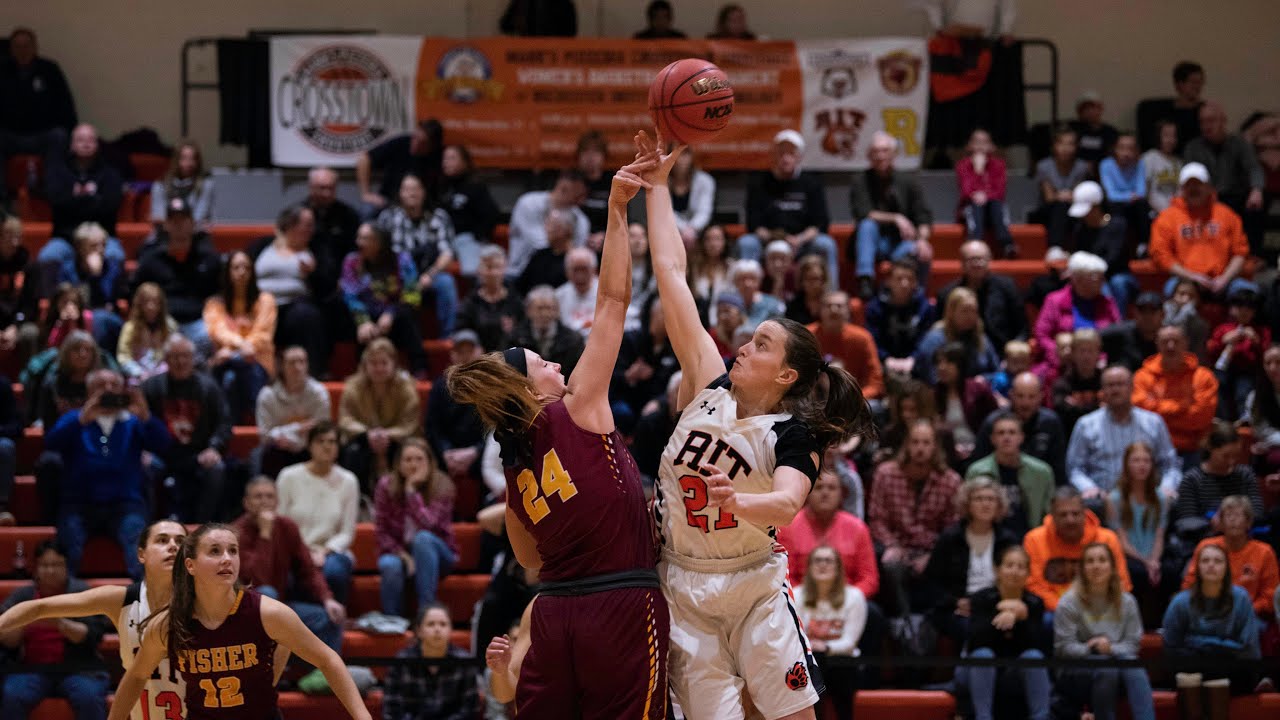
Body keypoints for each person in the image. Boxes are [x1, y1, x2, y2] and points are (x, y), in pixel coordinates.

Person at [634, 130, 874, 720]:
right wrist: (658, 188)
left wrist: (735, 498)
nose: (743, 345)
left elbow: (788, 503)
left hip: (754, 587)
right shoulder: (706, 384)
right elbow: (670, 271)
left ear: (787, 374)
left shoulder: (794, 433)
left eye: (761, 344)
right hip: (682, 586)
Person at [446, 151, 670, 718]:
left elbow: (529, 558)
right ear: (527, 390)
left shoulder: (516, 465)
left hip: (552, 615)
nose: (556, 364)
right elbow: (614, 302)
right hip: (618, 602)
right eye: (544, 362)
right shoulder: (580, 407)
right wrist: (619, 210)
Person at [109, 524, 373, 720]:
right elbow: (137, 676)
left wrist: (363, 717)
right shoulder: (168, 624)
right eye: (215, 551)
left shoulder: (267, 613)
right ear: (190, 565)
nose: (227, 558)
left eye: (232, 551)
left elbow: (328, 659)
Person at [0, 521, 188, 720]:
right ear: (141, 554)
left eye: (181, 541)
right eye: (162, 540)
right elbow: (38, 608)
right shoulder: (122, 600)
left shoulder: (207, 603)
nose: (173, 546)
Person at [44, 369, 168, 579]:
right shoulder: (75, 418)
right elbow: (51, 444)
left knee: (141, 549)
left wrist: (146, 415)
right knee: (67, 548)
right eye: (101, 386)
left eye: (114, 386)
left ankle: (148, 606)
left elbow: (163, 445)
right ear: (89, 390)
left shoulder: (133, 421)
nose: (108, 390)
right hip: (79, 504)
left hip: (125, 503)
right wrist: (82, 419)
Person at [232, 478, 345, 658]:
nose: (264, 501)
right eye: (258, 497)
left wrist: (327, 598)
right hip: (245, 609)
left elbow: (308, 569)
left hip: (280, 605)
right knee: (267, 594)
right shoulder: (236, 532)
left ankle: (318, 676)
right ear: (246, 503)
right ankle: (263, 668)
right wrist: (265, 534)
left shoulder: (287, 526)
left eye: (269, 496)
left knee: (327, 617)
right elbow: (258, 579)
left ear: (277, 502)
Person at [0, 541, 110, 720]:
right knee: (12, 695)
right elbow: (6, 637)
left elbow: (91, 635)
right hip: (31, 669)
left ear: (66, 566)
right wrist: (26, 619)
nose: (50, 571)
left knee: (89, 697)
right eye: (44, 565)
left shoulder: (82, 593)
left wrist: (58, 622)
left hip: (78, 669)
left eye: (56, 565)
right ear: (35, 568)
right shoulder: (22, 596)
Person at [870, 420, 962, 620]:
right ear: (906, 445)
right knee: (889, 562)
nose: (920, 448)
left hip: (933, 550)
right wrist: (892, 545)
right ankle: (904, 622)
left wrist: (932, 554)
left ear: (935, 446)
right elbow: (877, 518)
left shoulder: (950, 480)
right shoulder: (886, 474)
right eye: (915, 442)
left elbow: (952, 527)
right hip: (897, 545)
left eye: (926, 443)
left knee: (950, 560)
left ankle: (930, 622)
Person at [1053, 543, 1155, 720]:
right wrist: (1091, 649)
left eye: (1102, 560)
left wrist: (1110, 650)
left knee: (1133, 665)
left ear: (1112, 567)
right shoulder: (1068, 602)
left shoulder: (1127, 601)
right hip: (1077, 672)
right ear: (1082, 569)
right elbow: (1063, 648)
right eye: (1090, 561)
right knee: (1107, 668)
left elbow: (1133, 644)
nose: (1096, 566)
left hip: (1116, 664)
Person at [1165, 543, 1261, 718]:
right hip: (1194, 667)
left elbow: (1248, 648)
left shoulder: (1241, 598)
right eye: (1205, 560)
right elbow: (1171, 648)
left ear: (1227, 568)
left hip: (1234, 669)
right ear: (1197, 566)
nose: (1211, 565)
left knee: (1215, 670)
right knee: (1189, 672)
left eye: (1217, 561)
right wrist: (1221, 647)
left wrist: (1199, 642)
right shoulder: (1181, 601)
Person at [954, 545, 1050, 720]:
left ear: (1028, 574)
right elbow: (976, 641)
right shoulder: (981, 599)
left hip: (1014, 673)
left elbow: (1037, 644)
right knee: (983, 655)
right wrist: (1000, 614)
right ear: (997, 570)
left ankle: (1041, 717)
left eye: (1021, 567)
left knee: (1033, 656)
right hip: (976, 672)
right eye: (1009, 565)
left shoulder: (1034, 603)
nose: (1015, 571)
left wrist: (1020, 617)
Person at [142, 335, 231, 523]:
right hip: (161, 455)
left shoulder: (209, 387)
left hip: (197, 454)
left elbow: (224, 423)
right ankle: (149, 526)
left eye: (185, 356)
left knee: (217, 469)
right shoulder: (150, 387)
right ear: (166, 360)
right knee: (143, 466)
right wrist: (143, 450)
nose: (180, 361)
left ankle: (202, 526)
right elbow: (140, 423)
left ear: (193, 359)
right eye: (174, 356)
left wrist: (214, 448)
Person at [739, 130, 839, 290]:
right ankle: (746, 298)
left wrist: (799, 240)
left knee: (826, 244)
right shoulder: (758, 183)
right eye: (781, 153)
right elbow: (753, 224)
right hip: (768, 241)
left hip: (801, 242)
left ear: (799, 157)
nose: (786, 158)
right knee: (747, 243)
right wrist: (775, 238)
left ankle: (831, 295)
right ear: (774, 156)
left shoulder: (811, 183)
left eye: (791, 153)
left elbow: (820, 223)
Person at [1066, 366, 1184, 500]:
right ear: (1102, 390)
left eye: (1121, 384)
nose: (1115, 390)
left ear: (1132, 387)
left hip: (1147, 501)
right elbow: (1075, 469)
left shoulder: (1153, 423)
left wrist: (1166, 488)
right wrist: (1089, 489)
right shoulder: (1086, 425)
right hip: (1101, 501)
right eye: (1110, 385)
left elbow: (1170, 465)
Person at [925, 476, 1019, 641]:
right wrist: (955, 602)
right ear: (967, 504)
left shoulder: (1007, 539)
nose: (985, 504)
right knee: (973, 629)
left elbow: (1018, 579)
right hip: (958, 608)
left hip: (996, 604)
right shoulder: (950, 538)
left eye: (991, 499)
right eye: (979, 499)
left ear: (999, 505)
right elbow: (931, 583)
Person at [277, 422, 360, 604]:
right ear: (310, 445)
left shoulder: (349, 481)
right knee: (289, 575)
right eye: (320, 441)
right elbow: (280, 524)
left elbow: (347, 532)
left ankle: (334, 624)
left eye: (332, 441)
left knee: (333, 572)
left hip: (331, 551)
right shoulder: (289, 476)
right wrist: (304, 552)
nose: (327, 446)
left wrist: (325, 551)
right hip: (295, 549)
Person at [374, 439, 458, 617]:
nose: (413, 464)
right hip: (399, 552)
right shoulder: (385, 485)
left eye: (419, 459)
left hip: (438, 553)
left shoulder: (442, 485)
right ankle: (393, 622)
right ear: (398, 463)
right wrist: (404, 557)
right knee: (389, 565)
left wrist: (411, 492)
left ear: (429, 462)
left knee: (423, 538)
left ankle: (425, 615)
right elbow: (381, 531)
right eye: (408, 459)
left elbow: (430, 524)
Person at [130, 198, 220, 359]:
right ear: (166, 225)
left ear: (192, 223)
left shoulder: (209, 259)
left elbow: (220, 294)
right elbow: (135, 293)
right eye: (173, 220)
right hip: (161, 325)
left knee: (209, 336)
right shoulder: (151, 260)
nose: (179, 225)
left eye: (183, 220)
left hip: (199, 323)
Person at [850, 131, 934, 300]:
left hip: (900, 244)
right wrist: (896, 218)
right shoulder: (860, 180)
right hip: (871, 245)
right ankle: (865, 279)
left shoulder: (908, 181)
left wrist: (923, 240)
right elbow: (863, 213)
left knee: (922, 251)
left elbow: (923, 217)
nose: (880, 156)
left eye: (885, 151)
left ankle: (917, 296)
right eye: (876, 151)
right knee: (867, 225)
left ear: (894, 154)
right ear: (869, 156)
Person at [1149, 162, 1250, 300]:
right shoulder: (1167, 217)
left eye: (1198, 184)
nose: (1193, 189)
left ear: (1208, 187)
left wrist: (1224, 279)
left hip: (1222, 279)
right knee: (1173, 290)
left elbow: (1240, 253)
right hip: (1185, 279)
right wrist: (1191, 276)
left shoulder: (1227, 215)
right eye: (1188, 185)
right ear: (1181, 188)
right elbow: (1160, 254)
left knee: (1249, 293)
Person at [1025, 487, 1132, 615]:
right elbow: (1034, 586)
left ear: (1085, 514)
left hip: (1100, 609)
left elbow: (1121, 583)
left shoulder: (1107, 539)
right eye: (1063, 514)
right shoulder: (1034, 539)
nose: (1070, 520)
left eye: (1075, 513)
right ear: (1052, 515)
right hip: (1055, 610)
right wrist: (1068, 609)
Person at [0, 27, 77, 206]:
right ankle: (1, 199)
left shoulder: (50, 70)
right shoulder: (2, 71)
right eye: (17, 46)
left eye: (26, 45)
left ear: (35, 47)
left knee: (59, 136)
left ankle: (53, 192)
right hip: (11, 134)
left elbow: (66, 105)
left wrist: (72, 132)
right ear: (11, 49)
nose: (22, 50)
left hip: (43, 134)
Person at [375, 173, 458, 335]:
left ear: (424, 192)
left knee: (446, 282)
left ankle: (448, 337)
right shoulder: (388, 218)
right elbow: (379, 254)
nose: (412, 193)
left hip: (429, 274)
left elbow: (447, 253)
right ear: (400, 193)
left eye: (416, 189)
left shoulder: (439, 217)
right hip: (398, 276)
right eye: (407, 189)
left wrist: (429, 275)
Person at [341, 222, 428, 374]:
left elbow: (412, 295)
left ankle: (419, 370)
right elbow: (350, 295)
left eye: (365, 238)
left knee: (408, 316)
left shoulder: (402, 260)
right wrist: (363, 321)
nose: (359, 243)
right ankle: (362, 373)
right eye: (358, 237)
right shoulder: (352, 261)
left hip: (396, 317)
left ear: (379, 242)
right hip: (366, 317)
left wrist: (391, 313)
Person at [255, 205, 332, 377]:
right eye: (307, 225)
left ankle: (314, 375)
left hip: (295, 307)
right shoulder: (263, 245)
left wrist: (313, 274)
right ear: (290, 225)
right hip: (262, 305)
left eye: (312, 225)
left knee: (306, 315)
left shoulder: (317, 249)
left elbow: (327, 287)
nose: (311, 230)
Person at [337, 338, 422, 489]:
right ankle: (359, 498)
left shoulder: (406, 387)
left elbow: (410, 423)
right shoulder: (352, 386)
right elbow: (345, 419)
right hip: (363, 437)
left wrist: (386, 434)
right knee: (353, 452)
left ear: (393, 364)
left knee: (407, 451)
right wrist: (367, 433)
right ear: (365, 365)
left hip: (398, 439)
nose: (379, 368)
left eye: (384, 363)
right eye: (374, 363)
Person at [1184, 102, 1266, 256]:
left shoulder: (1239, 143)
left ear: (1223, 121)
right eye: (1202, 122)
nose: (1207, 126)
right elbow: (1188, 177)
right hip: (1206, 198)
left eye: (1211, 120)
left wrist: (1257, 189)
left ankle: (1253, 255)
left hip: (1236, 196)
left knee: (1256, 205)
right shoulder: (1193, 147)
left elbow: (1254, 168)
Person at [204, 250, 276, 424]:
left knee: (237, 369)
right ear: (227, 272)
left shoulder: (265, 300)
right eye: (236, 267)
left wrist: (234, 350)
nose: (242, 272)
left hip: (257, 361)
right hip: (225, 362)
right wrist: (242, 346)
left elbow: (263, 335)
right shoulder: (215, 304)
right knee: (229, 376)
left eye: (246, 268)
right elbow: (218, 331)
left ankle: (244, 420)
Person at [1181, 495, 1279, 621]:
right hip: (1206, 612)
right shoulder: (1206, 547)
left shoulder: (1264, 552)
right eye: (1228, 515)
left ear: (1248, 522)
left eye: (1238, 515)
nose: (1233, 520)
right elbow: (1189, 585)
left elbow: (1270, 596)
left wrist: (1245, 610)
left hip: (1247, 615)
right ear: (1220, 522)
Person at [795, 547, 866, 720]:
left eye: (828, 560)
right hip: (809, 660)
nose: (823, 565)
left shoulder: (854, 597)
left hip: (842, 662)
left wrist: (825, 646)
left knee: (832, 666)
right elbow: (796, 637)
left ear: (838, 567)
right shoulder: (797, 595)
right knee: (813, 664)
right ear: (809, 567)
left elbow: (849, 643)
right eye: (817, 560)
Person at [41, 124, 124, 269]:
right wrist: (93, 199)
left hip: (103, 238)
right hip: (66, 238)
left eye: (90, 140)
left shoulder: (111, 174)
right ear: (72, 145)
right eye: (80, 140)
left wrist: (76, 198)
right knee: (48, 256)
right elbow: (56, 201)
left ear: (98, 145)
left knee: (115, 256)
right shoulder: (58, 172)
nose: (86, 144)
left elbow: (110, 206)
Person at [1133, 323, 1218, 462]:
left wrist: (1160, 411)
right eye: (1165, 342)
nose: (1170, 346)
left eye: (1176, 341)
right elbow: (1143, 418)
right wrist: (1181, 407)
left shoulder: (1203, 377)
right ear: (1157, 344)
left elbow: (1201, 418)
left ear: (1186, 343)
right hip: (1152, 450)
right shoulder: (1142, 377)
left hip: (1192, 449)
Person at [382, 604, 481, 720]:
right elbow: (392, 710)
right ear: (419, 631)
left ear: (450, 630)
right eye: (431, 624)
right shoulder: (401, 662)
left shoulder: (464, 661)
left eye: (443, 624)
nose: (437, 629)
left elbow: (469, 710)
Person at [1106, 442, 1172, 615]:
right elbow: (1121, 540)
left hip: (1153, 553)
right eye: (1136, 461)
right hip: (1130, 554)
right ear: (1126, 464)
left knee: (1168, 571)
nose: (1141, 465)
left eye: (1146, 461)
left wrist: (1154, 561)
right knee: (1137, 573)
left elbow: (1159, 535)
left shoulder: (1161, 498)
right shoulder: (1114, 499)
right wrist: (1146, 562)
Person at [966, 415, 1054, 536]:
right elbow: (968, 511)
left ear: (1021, 437)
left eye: (1012, 432)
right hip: (992, 537)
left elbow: (1048, 513)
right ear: (992, 439)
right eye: (1001, 433)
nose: (1006, 438)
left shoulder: (1042, 472)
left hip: (1030, 537)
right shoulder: (976, 471)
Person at [974, 372, 1068, 485]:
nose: (1025, 403)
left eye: (1031, 396)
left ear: (1040, 397)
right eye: (1020, 396)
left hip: (1039, 486)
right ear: (1011, 395)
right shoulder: (993, 422)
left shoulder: (1051, 423)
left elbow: (1058, 469)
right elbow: (980, 463)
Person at [253, 345, 329, 479]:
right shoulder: (267, 395)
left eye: (302, 361)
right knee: (264, 453)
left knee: (326, 447)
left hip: (309, 449)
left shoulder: (318, 392)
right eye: (292, 362)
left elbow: (321, 429)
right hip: (279, 450)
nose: (298, 367)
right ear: (282, 366)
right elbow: (265, 435)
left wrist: (285, 433)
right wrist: (299, 428)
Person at [1033, 251, 1120, 363]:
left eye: (1102, 277)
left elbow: (1117, 335)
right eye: (1096, 277)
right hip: (1061, 362)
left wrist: (1103, 358)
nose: (1102, 282)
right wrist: (1058, 353)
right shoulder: (1054, 300)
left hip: (1099, 363)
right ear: (1078, 279)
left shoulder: (1108, 302)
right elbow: (1041, 334)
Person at [937, 240, 1024, 352]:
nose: (977, 264)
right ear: (962, 263)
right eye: (972, 259)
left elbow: (1022, 329)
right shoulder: (947, 294)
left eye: (981, 259)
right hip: (958, 356)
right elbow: (940, 330)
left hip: (1002, 354)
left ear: (989, 260)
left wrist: (1013, 351)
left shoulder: (1007, 287)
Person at [1065, 182, 1140, 312]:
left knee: (1116, 284)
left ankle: (1114, 324)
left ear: (1096, 207)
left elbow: (1114, 257)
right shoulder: (1080, 229)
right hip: (1090, 275)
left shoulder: (1118, 225)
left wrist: (1093, 272)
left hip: (1117, 275)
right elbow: (1078, 254)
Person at [1173, 420, 1264, 523]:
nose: (1231, 461)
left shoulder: (1245, 475)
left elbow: (1258, 512)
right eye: (1226, 456)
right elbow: (1186, 521)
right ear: (1211, 448)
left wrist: (1238, 520)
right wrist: (1213, 524)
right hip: (1205, 536)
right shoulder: (1192, 479)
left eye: (1236, 455)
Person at [505, 170, 589, 280]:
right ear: (563, 188)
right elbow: (540, 243)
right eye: (578, 195)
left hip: (562, 275)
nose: (581, 201)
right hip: (520, 272)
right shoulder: (529, 203)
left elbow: (578, 253)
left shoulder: (581, 219)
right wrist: (565, 244)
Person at [356, 117, 443, 218]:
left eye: (422, 143)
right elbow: (364, 159)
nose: (415, 144)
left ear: (432, 145)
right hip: (388, 200)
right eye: (415, 138)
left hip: (420, 204)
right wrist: (366, 193)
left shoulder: (439, 157)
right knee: (367, 211)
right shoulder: (401, 143)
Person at [807, 290, 884, 401]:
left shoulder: (862, 338)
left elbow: (875, 381)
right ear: (820, 309)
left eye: (839, 306)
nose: (834, 310)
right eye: (828, 306)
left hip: (854, 399)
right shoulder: (807, 336)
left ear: (849, 310)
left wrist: (854, 400)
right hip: (814, 400)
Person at [913, 286, 1001, 384]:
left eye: (974, 311)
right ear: (951, 312)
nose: (970, 316)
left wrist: (983, 380)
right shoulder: (935, 340)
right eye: (965, 311)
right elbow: (931, 377)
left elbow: (997, 372)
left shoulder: (981, 338)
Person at [1207, 283, 1268, 420]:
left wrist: (1256, 342)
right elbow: (1211, 353)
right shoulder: (1223, 329)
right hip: (1224, 369)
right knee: (1217, 382)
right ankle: (1220, 419)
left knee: (1243, 388)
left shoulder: (1261, 331)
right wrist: (1223, 341)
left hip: (1248, 370)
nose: (1244, 311)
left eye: (1249, 308)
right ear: (1233, 308)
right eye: (1240, 307)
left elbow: (1265, 358)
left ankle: (1244, 420)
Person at [864, 257, 934, 377]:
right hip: (883, 362)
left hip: (916, 363)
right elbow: (873, 338)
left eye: (910, 279)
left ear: (916, 283)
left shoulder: (925, 307)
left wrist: (913, 359)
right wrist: (886, 358)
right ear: (888, 281)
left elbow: (926, 339)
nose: (904, 284)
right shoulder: (875, 308)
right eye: (899, 278)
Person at [932, 342, 999, 464]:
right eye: (939, 362)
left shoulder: (979, 390)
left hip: (980, 453)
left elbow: (995, 421)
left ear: (960, 366)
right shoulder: (934, 394)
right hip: (947, 456)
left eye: (948, 362)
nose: (942, 367)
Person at [438, 144, 498, 276]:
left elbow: (491, 214)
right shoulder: (440, 187)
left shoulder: (475, 186)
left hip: (466, 238)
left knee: (472, 271)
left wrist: (478, 236)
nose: (446, 163)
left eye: (452, 158)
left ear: (464, 162)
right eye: (445, 159)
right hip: (441, 239)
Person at [956, 128, 1014, 257]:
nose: (981, 146)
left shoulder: (999, 165)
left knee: (995, 203)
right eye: (977, 142)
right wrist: (978, 171)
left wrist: (985, 195)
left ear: (992, 146)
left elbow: (999, 191)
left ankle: (1007, 244)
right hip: (971, 209)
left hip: (994, 209)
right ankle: (976, 242)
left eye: (985, 142)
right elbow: (966, 192)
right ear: (969, 146)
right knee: (975, 204)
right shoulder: (963, 165)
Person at [505, 285, 585, 377]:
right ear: (528, 310)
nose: (544, 314)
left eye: (549, 308)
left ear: (557, 311)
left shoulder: (574, 341)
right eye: (540, 308)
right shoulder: (514, 338)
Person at [456, 245, 523, 353]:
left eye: (498, 267)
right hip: (479, 360)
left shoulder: (515, 301)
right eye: (489, 267)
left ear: (505, 268)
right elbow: (461, 333)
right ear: (479, 270)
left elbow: (526, 333)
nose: (494, 273)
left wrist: (513, 332)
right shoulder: (469, 303)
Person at [1034, 127, 1090, 248]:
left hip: (1073, 208)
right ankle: (1055, 247)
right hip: (1048, 210)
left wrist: (1065, 196)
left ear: (1076, 147)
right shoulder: (1044, 166)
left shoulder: (1082, 167)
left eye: (1070, 144)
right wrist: (1063, 196)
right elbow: (1049, 197)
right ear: (1054, 146)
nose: (1065, 148)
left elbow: (1078, 195)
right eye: (1061, 143)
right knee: (1060, 207)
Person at [1099, 133, 1151, 250]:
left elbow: (1141, 192)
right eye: (1122, 148)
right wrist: (1128, 196)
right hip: (1116, 206)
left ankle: (1143, 245)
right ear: (1115, 149)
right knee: (1114, 206)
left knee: (1142, 204)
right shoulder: (1106, 164)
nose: (1126, 153)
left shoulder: (1140, 164)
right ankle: (1117, 247)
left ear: (1136, 150)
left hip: (1135, 205)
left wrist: (1127, 197)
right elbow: (1111, 194)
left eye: (1130, 149)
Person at [116, 282, 177, 380]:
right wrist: (138, 373)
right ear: (139, 304)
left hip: (164, 374)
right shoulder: (130, 327)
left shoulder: (169, 325)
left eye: (155, 302)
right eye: (146, 302)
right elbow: (123, 356)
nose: (151, 306)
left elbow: (174, 351)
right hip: (138, 375)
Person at [149, 139, 214, 228]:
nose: (189, 163)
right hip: (165, 234)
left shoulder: (206, 185)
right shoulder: (160, 185)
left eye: (193, 159)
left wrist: (183, 228)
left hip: (195, 235)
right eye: (184, 158)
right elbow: (159, 217)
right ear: (175, 160)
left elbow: (199, 217)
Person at [1051, 327, 1104, 435]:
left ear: (1098, 352)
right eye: (1082, 351)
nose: (1086, 356)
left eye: (1090, 351)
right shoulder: (1062, 384)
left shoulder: (1106, 382)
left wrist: (1076, 407)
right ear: (1073, 353)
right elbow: (1064, 415)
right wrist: (1097, 408)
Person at [304, 166, 360, 264]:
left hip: (340, 274)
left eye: (331, 188)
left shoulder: (348, 214)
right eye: (322, 188)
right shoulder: (297, 214)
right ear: (311, 187)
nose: (327, 193)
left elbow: (355, 249)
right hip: (306, 274)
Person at [515, 207, 577, 295]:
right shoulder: (539, 254)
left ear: (567, 230)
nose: (546, 229)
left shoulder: (576, 260)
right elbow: (521, 285)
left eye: (551, 225)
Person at [1101, 291, 1164, 371]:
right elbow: (1090, 339)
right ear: (1135, 313)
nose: (1147, 316)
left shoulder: (1169, 339)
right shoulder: (1119, 333)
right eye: (1142, 311)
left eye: (1153, 311)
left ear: (1162, 314)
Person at [669, 147, 715, 246]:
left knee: (714, 233)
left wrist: (692, 229)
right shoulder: (662, 181)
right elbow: (664, 211)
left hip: (698, 231)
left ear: (692, 156)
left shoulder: (705, 180)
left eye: (685, 154)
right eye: (677, 154)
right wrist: (683, 229)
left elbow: (704, 211)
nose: (681, 159)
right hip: (669, 229)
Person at [1142, 119, 1184, 218]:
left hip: (1177, 212)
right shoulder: (1149, 158)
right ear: (1158, 136)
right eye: (1166, 135)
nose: (1170, 140)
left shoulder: (1179, 162)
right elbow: (1146, 190)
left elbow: (1181, 190)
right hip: (1155, 213)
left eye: (1173, 136)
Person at [1068, 91, 1119, 167]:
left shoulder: (1110, 132)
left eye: (1093, 107)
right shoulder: (1072, 129)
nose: (1090, 111)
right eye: (1085, 108)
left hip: (1103, 169)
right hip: (1076, 170)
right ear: (1079, 111)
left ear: (1101, 109)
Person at [557, 246, 599, 335]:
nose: (580, 275)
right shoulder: (558, 296)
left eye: (584, 269)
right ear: (567, 272)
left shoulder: (607, 294)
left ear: (594, 270)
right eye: (575, 270)